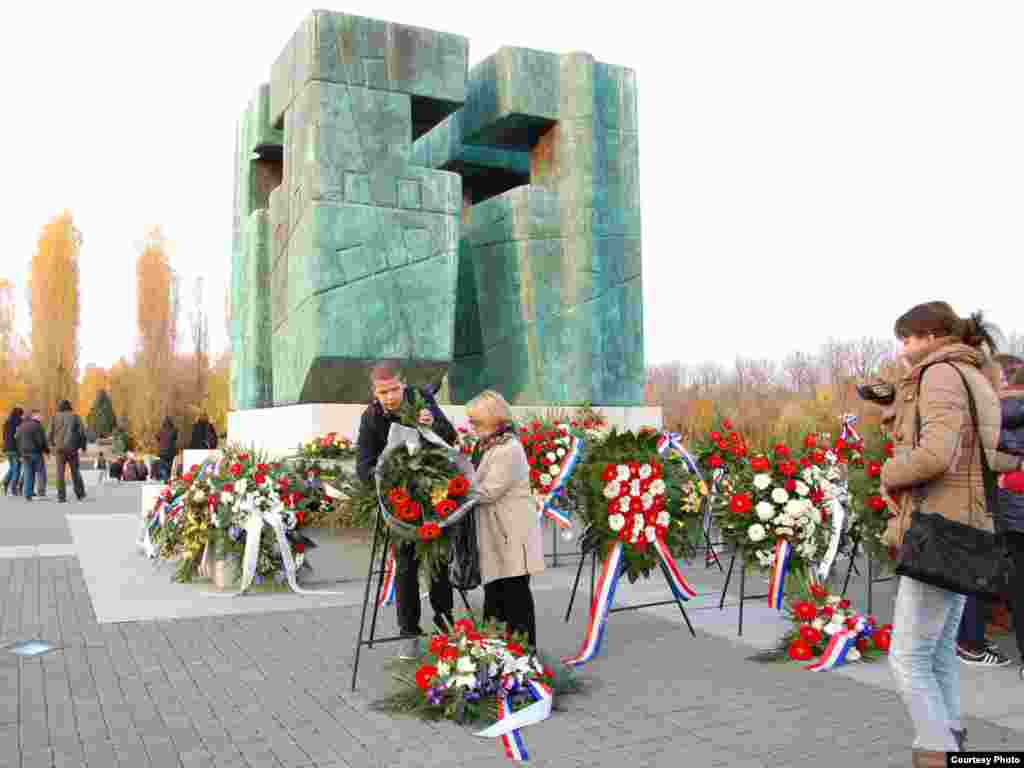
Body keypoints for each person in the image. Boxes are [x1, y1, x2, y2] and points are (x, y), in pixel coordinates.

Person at [879, 302, 1021, 764]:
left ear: (931, 334)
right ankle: (952, 741)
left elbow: (937, 454)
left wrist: (890, 471)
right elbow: (983, 453)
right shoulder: (975, 374)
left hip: (938, 527)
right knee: (938, 653)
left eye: (908, 338)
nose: (904, 349)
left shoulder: (939, 373)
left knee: (907, 657)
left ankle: (936, 752)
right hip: (968, 525)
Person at [355, 361, 457, 659]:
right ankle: (408, 632)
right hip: (399, 501)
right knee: (406, 565)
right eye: (382, 392)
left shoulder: (420, 400)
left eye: (393, 390)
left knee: (438, 561)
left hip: (432, 496)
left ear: (403, 384)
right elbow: (363, 466)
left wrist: (432, 423)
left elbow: (449, 437)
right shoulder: (371, 417)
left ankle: (445, 623)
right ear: (374, 392)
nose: (388, 397)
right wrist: (388, 479)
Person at [467, 390, 544, 647]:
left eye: (477, 422)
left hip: (511, 534)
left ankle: (524, 653)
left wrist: (453, 492)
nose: (472, 427)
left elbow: (488, 491)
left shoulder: (508, 449)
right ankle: (497, 653)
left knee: (515, 595)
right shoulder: (489, 446)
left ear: (494, 420)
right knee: (496, 593)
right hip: (499, 533)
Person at [49, 400, 87, 503]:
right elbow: (82, 433)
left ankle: (61, 497)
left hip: (59, 449)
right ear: (69, 407)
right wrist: (83, 447)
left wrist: (52, 446)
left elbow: (49, 433)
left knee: (60, 473)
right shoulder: (75, 416)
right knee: (75, 471)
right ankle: (80, 494)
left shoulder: (54, 417)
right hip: (72, 448)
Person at [16, 410, 49, 501]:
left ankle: (27, 494)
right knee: (41, 473)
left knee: (28, 473)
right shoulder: (37, 426)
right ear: (34, 416)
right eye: (39, 415)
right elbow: (41, 441)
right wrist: (46, 451)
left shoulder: (20, 427)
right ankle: (41, 492)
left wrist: (20, 453)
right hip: (36, 453)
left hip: (24, 454)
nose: (41, 417)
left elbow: (17, 440)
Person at [3, 407, 24, 496]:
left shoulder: (6, 422)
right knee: (17, 469)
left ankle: (6, 481)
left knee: (12, 468)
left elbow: (4, 436)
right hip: (15, 449)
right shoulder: (19, 422)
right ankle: (13, 489)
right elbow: (19, 437)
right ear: (19, 414)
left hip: (7, 448)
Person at [157, 417, 178, 481]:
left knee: (162, 466)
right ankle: (167, 478)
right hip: (171, 452)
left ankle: (165, 477)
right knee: (169, 466)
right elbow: (175, 438)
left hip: (162, 452)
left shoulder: (160, 430)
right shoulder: (174, 430)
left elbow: (157, 438)